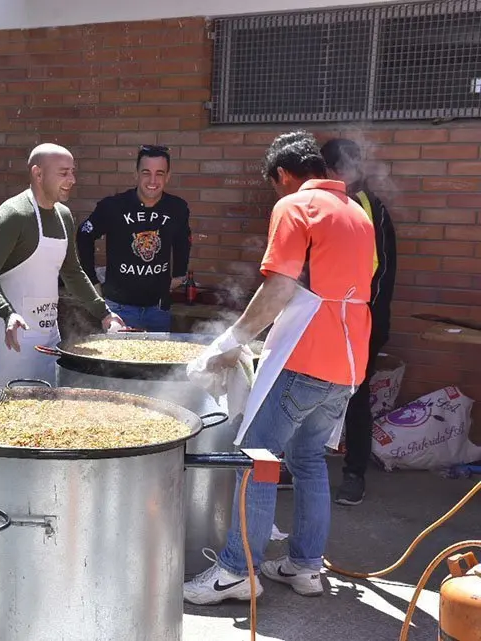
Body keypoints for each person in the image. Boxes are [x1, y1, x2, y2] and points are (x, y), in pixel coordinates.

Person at [182, 131, 374, 605]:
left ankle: (235, 571)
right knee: (308, 461)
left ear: (283, 175)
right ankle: (305, 566)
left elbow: (279, 289)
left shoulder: (295, 206)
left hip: (306, 358)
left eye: (274, 185)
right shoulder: (357, 213)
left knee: (256, 457)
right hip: (348, 362)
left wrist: (230, 341)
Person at [0, 144, 124, 386]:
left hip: (47, 326)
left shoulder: (64, 216)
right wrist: (7, 313)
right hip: (11, 328)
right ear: (38, 173)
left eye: (72, 172)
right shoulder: (14, 215)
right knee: (17, 395)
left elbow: (72, 272)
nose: (72, 180)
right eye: (63, 173)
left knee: (49, 392)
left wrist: (104, 314)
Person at [321, 138, 397, 506]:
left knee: (355, 397)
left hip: (361, 323)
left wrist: (362, 323)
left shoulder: (368, 208)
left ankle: (354, 474)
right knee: (309, 393)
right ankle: (299, 465)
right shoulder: (324, 203)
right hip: (325, 322)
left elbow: (377, 274)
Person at [77, 144, 192, 331]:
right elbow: (84, 234)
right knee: (118, 352)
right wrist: (91, 279)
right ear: (136, 174)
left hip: (159, 308)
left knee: (159, 351)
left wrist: (180, 273)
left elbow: (183, 239)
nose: (152, 180)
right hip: (119, 309)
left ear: (168, 176)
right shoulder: (113, 206)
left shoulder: (177, 208)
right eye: (146, 173)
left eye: (160, 173)